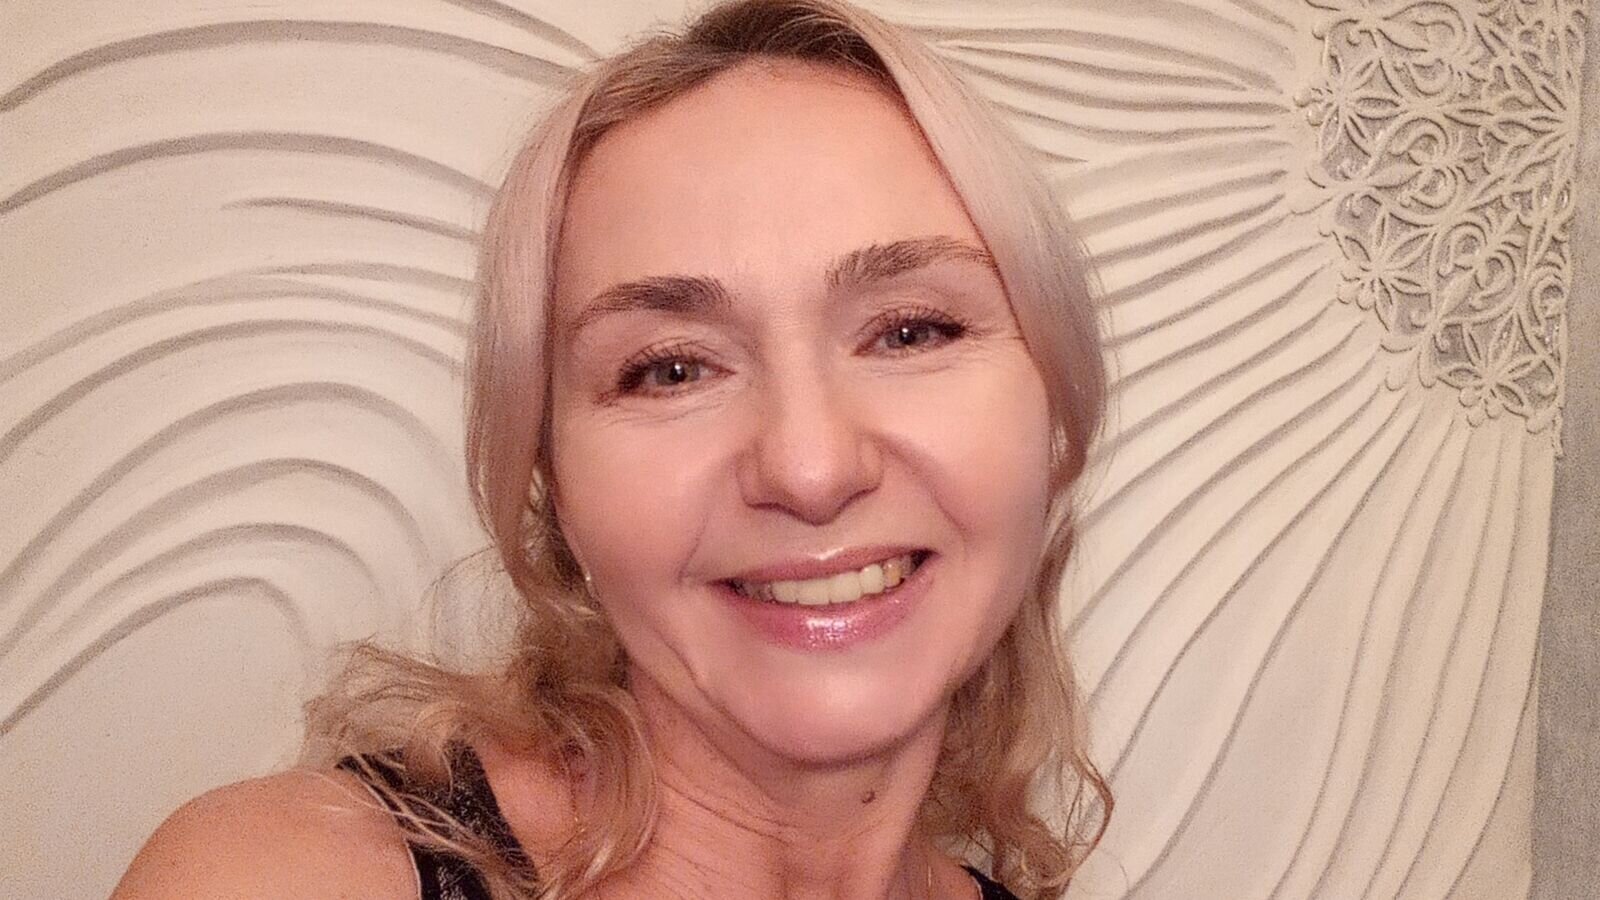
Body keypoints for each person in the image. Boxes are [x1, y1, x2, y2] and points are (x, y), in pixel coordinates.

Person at [110, 1, 1111, 897]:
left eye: (911, 331)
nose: (810, 469)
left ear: (1055, 418)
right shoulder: (288, 875)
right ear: (554, 485)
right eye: (670, 370)